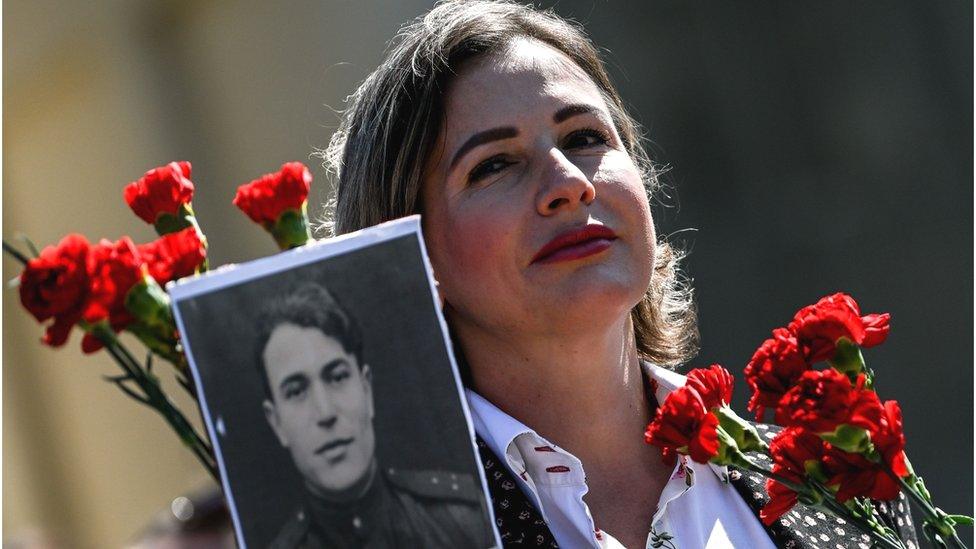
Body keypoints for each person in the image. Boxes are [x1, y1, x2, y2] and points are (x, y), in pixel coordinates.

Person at [321, 1, 920, 548]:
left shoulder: (834, 487)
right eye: (495, 165)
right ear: (410, 253)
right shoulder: (378, 534)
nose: (568, 184)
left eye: (584, 137)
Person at [255, 282, 493, 548]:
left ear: (366, 388)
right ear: (276, 421)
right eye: (297, 391)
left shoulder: (461, 518)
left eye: (337, 377)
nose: (325, 413)